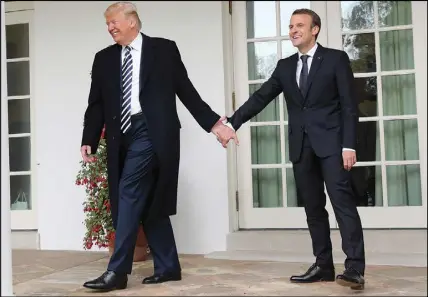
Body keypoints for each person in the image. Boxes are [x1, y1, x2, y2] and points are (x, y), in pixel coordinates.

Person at [80, 2, 237, 292]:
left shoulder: (163, 50)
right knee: (149, 198)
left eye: (114, 22)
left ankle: (118, 271)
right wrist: (89, 137)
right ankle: (167, 267)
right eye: (107, 24)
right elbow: (97, 103)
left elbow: (185, 90)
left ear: (132, 22)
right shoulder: (103, 59)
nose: (110, 28)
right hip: (120, 136)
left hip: (153, 132)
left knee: (128, 190)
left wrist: (215, 125)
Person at [223, 8, 365, 291]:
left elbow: (350, 106)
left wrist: (349, 145)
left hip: (333, 147)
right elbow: (261, 97)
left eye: (299, 25)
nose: (293, 30)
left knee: (342, 205)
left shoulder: (336, 59)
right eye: (290, 26)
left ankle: (354, 269)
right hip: (301, 148)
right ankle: (323, 265)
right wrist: (231, 123)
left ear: (315, 29)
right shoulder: (285, 66)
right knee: (313, 208)